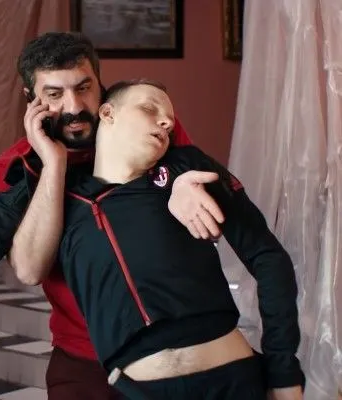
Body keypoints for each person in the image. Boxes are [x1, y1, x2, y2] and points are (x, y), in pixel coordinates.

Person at [0, 32, 224, 400]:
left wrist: (180, 181)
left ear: (101, 84)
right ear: (31, 100)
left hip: (177, 349)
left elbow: (212, 202)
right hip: (86, 357)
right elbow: (11, 267)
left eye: (84, 88)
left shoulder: (148, 124)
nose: (74, 107)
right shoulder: (22, 166)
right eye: (54, 94)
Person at [53, 79, 304, 399]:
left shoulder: (189, 168)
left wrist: (284, 374)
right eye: (149, 108)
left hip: (235, 383)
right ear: (107, 113)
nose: (166, 122)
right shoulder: (65, 198)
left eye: (169, 121)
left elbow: (268, 256)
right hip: (141, 391)